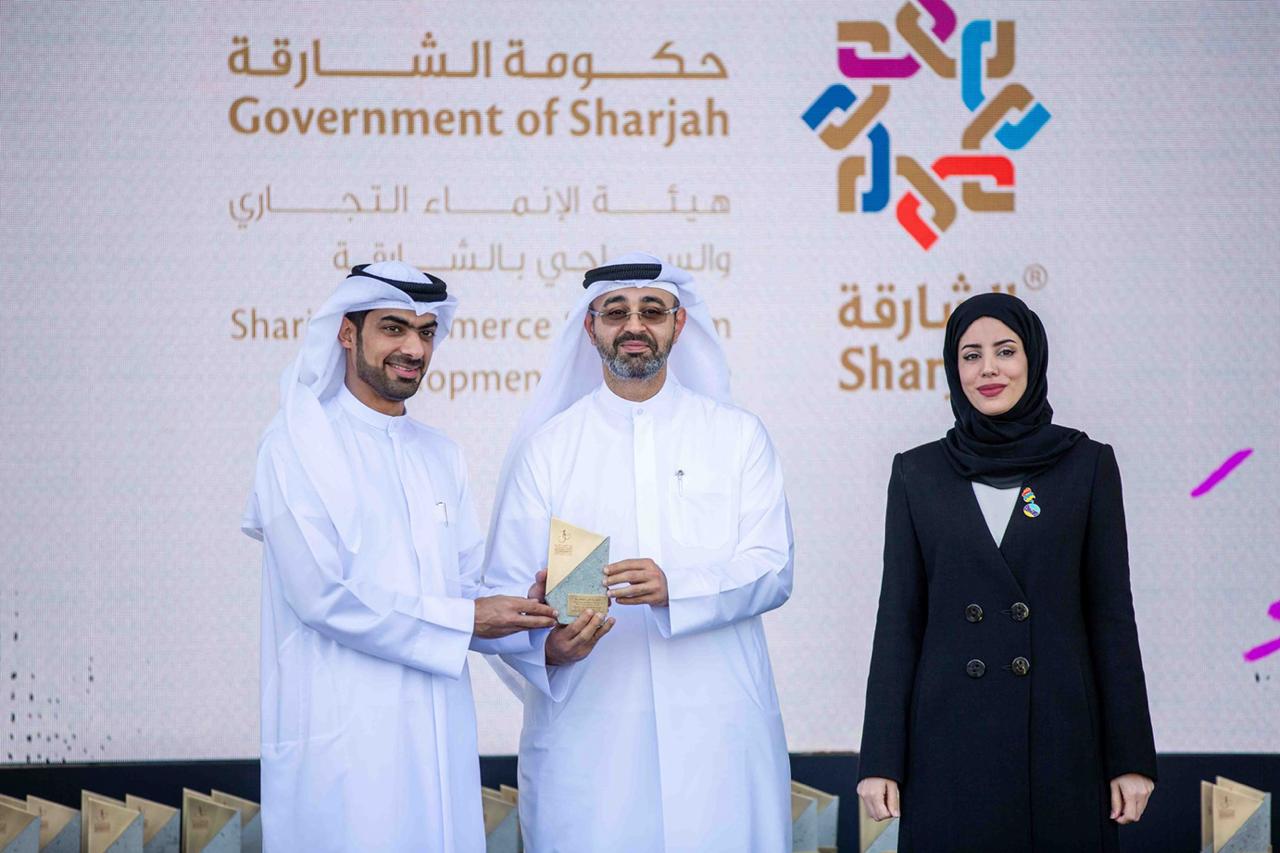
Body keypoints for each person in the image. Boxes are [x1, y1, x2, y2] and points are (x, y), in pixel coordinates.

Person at [241, 261, 558, 852]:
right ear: (347, 332)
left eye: (426, 332)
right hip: (343, 742)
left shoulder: (440, 454)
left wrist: (529, 616)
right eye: (393, 328)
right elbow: (321, 598)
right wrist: (469, 616)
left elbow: (466, 591)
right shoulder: (294, 446)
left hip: (437, 739)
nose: (414, 348)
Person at [483, 252, 795, 851]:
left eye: (651, 311)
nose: (634, 325)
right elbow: (504, 590)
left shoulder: (736, 436)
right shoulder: (549, 450)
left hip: (717, 727)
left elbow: (773, 566)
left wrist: (677, 587)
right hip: (593, 735)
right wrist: (547, 647)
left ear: (678, 324)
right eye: (615, 312)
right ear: (590, 327)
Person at [856, 293, 1157, 852]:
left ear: (1033, 359)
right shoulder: (917, 472)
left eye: (1005, 351)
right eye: (971, 355)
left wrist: (1131, 756)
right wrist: (880, 759)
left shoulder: (1087, 465)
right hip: (946, 743)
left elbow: (1111, 617)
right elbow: (898, 621)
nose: (988, 369)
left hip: (1062, 741)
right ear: (954, 369)